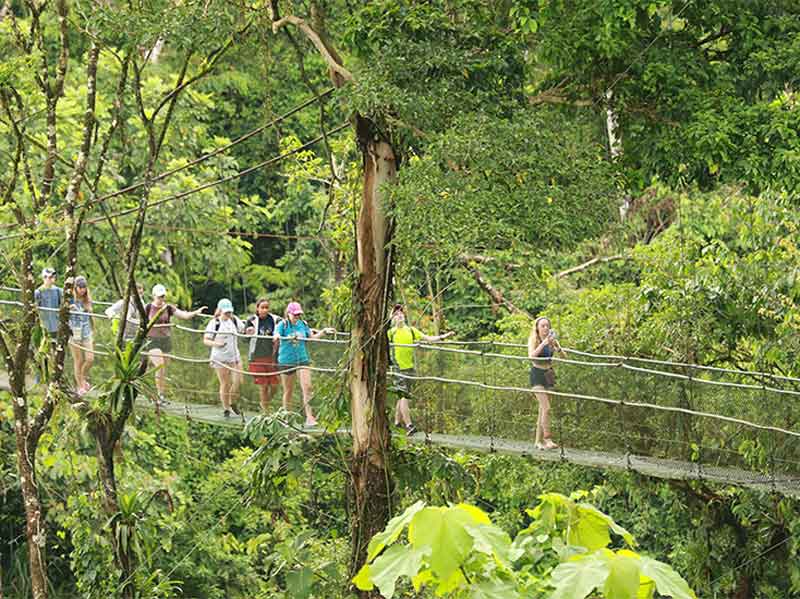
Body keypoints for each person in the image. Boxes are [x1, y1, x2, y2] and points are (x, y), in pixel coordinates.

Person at [387, 303, 454, 435]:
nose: (399, 316)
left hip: (409, 368)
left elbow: (428, 338)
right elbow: (382, 336)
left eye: (401, 314)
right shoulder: (390, 333)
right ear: (393, 318)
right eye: (396, 315)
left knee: (402, 397)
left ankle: (396, 422)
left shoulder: (411, 331)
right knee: (404, 396)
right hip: (397, 368)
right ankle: (409, 425)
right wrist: (391, 315)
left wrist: (443, 337)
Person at [144, 283, 207, 404]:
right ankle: (158, 395)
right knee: (159, 366)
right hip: (152, 340)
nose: (161, 299)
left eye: (162, 296)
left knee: (163, 370)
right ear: (153, 296)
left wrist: (195, 312)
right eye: (159, 297)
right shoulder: (148, 308)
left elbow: (184, 315)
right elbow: (141, 322)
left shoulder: (168, 308)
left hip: (165, 340)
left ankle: (161, 395)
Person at [274, 301, 334, 427]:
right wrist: (279, 337)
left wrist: (323, 332)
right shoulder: (283, 324)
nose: (297, 317)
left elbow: (311, 338)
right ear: (288, 314)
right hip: (286, 361)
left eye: (298, 314)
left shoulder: (303, 324)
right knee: (288, 391)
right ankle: (286, 417)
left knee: (307, 387)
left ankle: (309, 417)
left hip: (302, 359)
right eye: (295, 315)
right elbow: (276, 334)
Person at [528, 316, 565, 450]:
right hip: (537, 375)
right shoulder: (534, 339)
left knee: (542, 410)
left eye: (547, 326)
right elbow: (531, 356)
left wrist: (557, 346)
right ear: (537, 328)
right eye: (542, 326)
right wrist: (543, 344)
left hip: (548, 375)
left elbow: (564, 356)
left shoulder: (551, 340)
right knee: (546, 408)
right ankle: (547, 438)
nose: (545, 328)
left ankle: (538, 442)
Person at [204, 298, 245, 418]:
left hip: (234, 357)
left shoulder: (234, 320)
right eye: (226, 312)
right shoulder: (214, 323)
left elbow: (243, 330)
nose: (228, 314)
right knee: (225, 383)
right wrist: (217, 343)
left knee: (238, 381)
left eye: (229, 312)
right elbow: (206, 340)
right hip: (220, 357)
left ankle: (232, 401)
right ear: (220, 310)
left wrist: (249, 330)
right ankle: (226, 408)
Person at [244, 298, 282, 412]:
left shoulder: (275, 320)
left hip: (271, 357)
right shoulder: (251, 320)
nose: (264, 310)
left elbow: (284, 326)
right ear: (257, 308)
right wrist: (247, 333)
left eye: (266, 307)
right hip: (256, 357)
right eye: (262, 307)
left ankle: (264, 403)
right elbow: (244, 338)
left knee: (275, 386)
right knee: (263, 386)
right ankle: (265, 412)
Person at [68, 276, 94, 395]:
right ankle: (80, 386)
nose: (82, 290)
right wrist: (69, 308)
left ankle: (82, 378)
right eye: (80, 287)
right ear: (76, 287)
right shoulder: (70, 299)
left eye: (84, 287)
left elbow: (90, 316)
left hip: (86, 332)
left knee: (90, 359)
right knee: (78, 360)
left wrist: (89, 309)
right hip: (74, 333)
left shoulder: (87, 300)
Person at [34, 267, 63, 339]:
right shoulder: (38, 292)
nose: (51, 279)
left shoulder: (58, 291)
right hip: (43, 326)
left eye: (53, 277)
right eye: (49, 277)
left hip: (56, 325)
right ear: (44, 278)